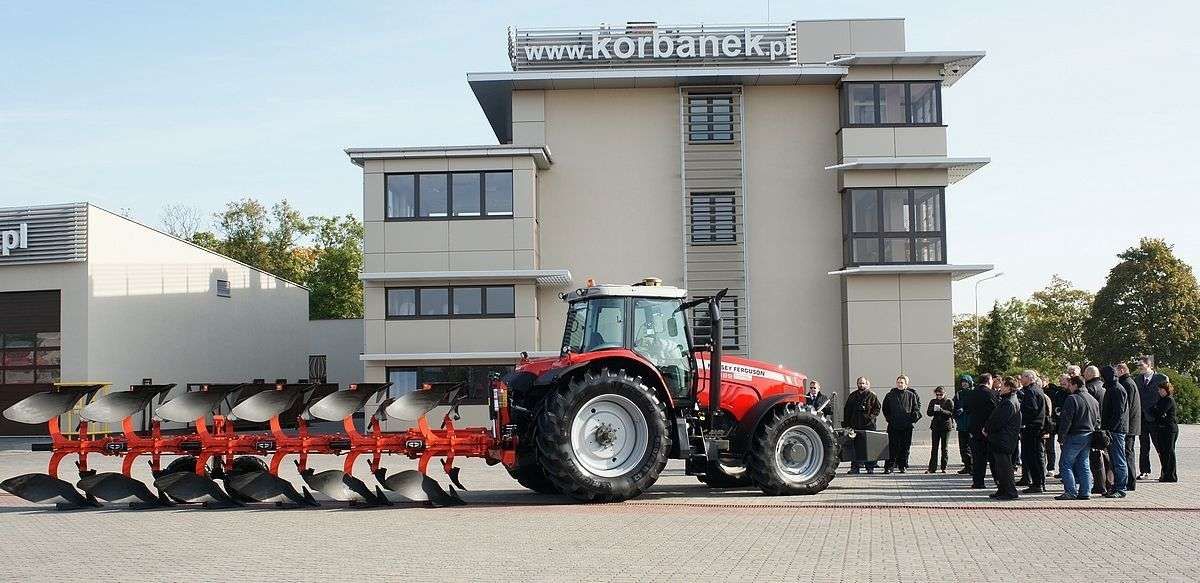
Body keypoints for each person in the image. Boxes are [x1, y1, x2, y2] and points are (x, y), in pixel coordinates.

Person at [1055, 375, 1099, 500]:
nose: (1068, 387)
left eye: (1069, 385)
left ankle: (1070, 491)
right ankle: (1085, 491)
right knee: (1083, 463)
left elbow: (1066, 420)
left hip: (1075, 435)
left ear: (1075, 385)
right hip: (1089, 434)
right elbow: (1097, 419)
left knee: (1065, 463)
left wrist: (1061, 437)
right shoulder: (1093, 399)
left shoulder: (1072, 399)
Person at [984, 378, 1022, 500]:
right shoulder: (1009, 400)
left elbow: (999, 421)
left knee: (1005, 467)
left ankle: (1010, 491)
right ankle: (1002, 489)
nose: (1000, 387)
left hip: (1003, 438)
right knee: (1000, 467)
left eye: (1003, 385)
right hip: (1003, 438)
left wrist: (987, 429)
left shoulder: (1009, 402)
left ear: (1009, 388)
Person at [1134, 356, 1169, 479]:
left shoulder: (1161, 378)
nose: (1139, 368)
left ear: (1149, 365)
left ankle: (1165, 470)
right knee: (1144, 446)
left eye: (1141, 365)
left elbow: (1166, 397)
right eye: (1138, 366)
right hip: (1142, 418)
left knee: (1159, 445)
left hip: (1155, 417)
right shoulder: (1138, 379)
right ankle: (1144, 471)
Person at [962, 373, 999, 489]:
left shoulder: (971, 393)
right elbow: (996, 411)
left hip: (975, 428)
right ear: (989, 381)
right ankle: (998, 480)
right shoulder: (992, 394)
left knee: (978, 458)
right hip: (989, 430)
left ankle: (978, 482)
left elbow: (966, 409)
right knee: (994, 457)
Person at [1099, 365, 1129, 498]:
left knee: (1118, 459)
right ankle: (1116, 486)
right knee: (1115, 460)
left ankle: (1121, 488)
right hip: (1114, 429)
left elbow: (1119, 413)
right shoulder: (1113, 388)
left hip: (1116, 430)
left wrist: (1110, 429)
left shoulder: (1116, 389)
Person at [1015, 370, 1048, 493]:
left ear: (1029, 378)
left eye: (1023, 377)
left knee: (1033, 457)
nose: (1021, 379)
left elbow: (1032, 410)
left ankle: (1037, 483)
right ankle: (1038, 482)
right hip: (1036, 428)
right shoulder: (1036, 390)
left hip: (1032, 429)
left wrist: (1021, 418)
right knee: (1035, 456)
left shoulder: (1031, 392)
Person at [882, 375, 921, 474]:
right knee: (892, 446)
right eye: (898, 382)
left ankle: (902, 466)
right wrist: (889, 419)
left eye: (902, 382)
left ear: (906, 384)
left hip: (907, 426)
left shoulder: (911, 395)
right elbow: (885, 409)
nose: (900, 384)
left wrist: (911, 419)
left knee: (905, 447)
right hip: (893, 425)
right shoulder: (890, 395)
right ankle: (889, 466)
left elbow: (915, 409)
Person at [1083, 366, 1113, 495]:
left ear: (1089, 375)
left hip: (1094, 426)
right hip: (1105, 425)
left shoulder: (1089, 389)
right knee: (1106, 456)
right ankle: (1108, 482)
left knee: (1095, 456)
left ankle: (1099, 484)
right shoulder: (1105, 387)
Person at [843, 376, 882, 474]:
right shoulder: (852, 396)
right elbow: (847, 410)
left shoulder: (871, 395)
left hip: (868, 425)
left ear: (866, 384)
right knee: (855, 447)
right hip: (855, 425)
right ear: (857, 384)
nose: (861, 385)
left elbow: (877, 408)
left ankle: (870, 468)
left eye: (863, 383)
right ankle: (855, 468)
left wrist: (870, 417)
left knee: (869, 447)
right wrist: (847, 424)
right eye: (860, 383)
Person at [1115, 363, 1141, 491]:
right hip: (1130, 424)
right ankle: (1130, 481)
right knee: (1128, 452)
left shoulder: (1127, 383)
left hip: (1128, 425)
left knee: (1127, 453)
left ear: (1121, 370)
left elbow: (1127, 406)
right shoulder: (1128, 382)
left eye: (1116, 371)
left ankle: (1130, 481)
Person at [1147, 382, 1179, 482]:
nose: (1159, 391)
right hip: (1161, 428)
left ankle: (1171, 475)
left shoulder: (1169, 400)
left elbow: (1159, 412)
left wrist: (1156, 411)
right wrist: (1156, 411)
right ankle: (1165, 473)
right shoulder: (1161, 400)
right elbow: (1152, 410)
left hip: (1169, 429)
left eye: (1161, 390)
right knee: (1163, 452)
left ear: (1166, 390)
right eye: (1159, 389)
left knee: (1169, 452)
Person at [1044, 374, 1069, 475]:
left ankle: (1063, 469)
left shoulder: (1056, 391)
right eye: (1060, 381)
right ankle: (1051, 467)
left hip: (1062, 422)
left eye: (1063, 382)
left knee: (1064, 447)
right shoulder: (1058, 392)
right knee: (1049, 446)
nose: (1062, 384)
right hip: (1053, 421)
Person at [926, 386, 954, 473]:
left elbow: (951, 413)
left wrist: (941, 410)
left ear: (944, 393)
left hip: (946, 427)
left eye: (941, 394)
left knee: (944, 448)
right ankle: (932, 467)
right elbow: (928, 413)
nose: (939, 396)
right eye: (937, 394)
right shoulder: (933, 401)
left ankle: (943, 467)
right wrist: (934, 410)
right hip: (936, 426)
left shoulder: (949, 401)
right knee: (934, 447)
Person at [953, 374, 974, 474]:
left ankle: (973, 466)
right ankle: (966, 465)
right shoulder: (959, 394)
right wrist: (956, 415)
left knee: (972, 447)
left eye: (966, 382)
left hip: (971, 424)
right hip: (961, 424)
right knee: (963, 447)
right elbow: (953, 407)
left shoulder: (974, 393)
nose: (964, 384)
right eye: (962, 382)